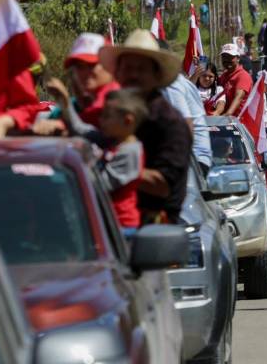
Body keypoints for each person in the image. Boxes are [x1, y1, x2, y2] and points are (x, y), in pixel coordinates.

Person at [99, 31, 191, 223]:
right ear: (117, 72)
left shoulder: (170, 123)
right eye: (127, 68)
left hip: (153, 235)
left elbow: (162, 185)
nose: (133, 74)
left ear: (156, 75)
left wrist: (112, 168)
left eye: (141, 69)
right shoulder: (110, 113)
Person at [44, 81, 147, 230]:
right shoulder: (113, 141)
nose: (100, 120)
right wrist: (64, 101)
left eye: (106, 116)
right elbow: (81, 129)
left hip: (120, 228)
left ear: (127, 121)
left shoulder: (130, 153)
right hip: (105, 223)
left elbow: (99, 185)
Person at [33, 33, 119, 135]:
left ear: (109, 65)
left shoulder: (115, 98)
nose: (85, 72)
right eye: (79, 67)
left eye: (92, 65)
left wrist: (62, 122)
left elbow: (92, 129)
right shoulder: (82, 100)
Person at [218, 43, 253, 116]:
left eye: (230, 57)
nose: (227, 60)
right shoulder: (224, 76)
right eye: (224, 57)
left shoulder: (243, 76)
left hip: (238, 122)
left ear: (238, 58)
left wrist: (227, 114)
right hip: (225, 121)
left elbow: (239, 97)